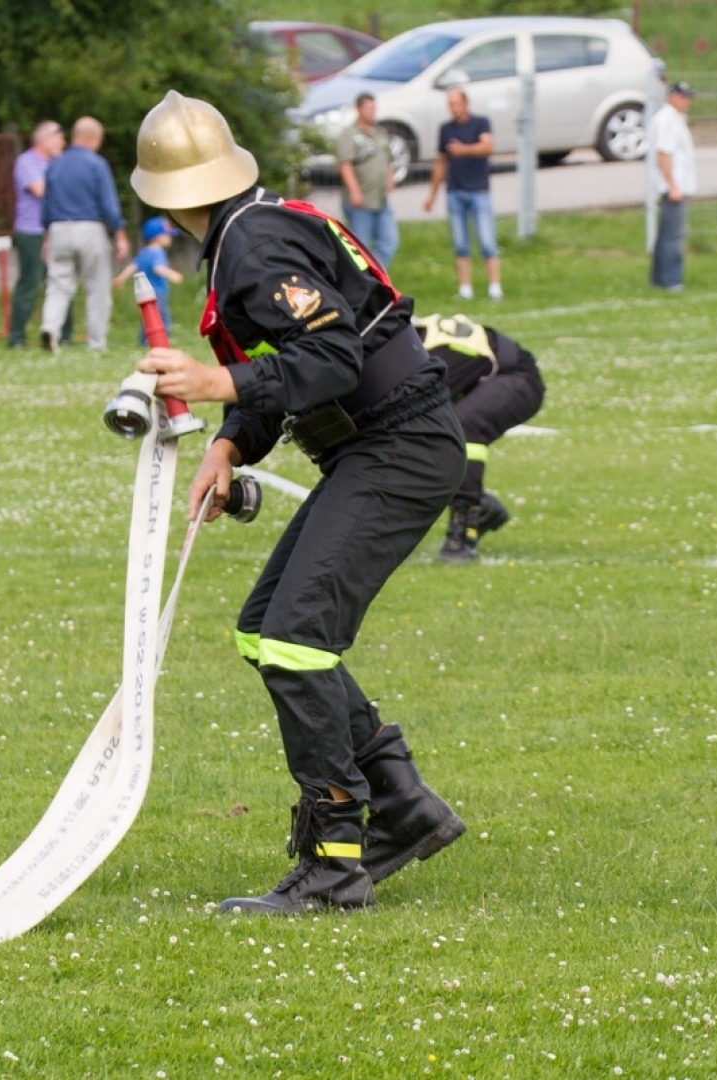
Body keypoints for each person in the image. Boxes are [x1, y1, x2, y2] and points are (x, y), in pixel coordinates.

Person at [131, 91, 467, 915]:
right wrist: (230, 442)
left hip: (400, 444)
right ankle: (404, 807)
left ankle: (334, 863)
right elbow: (285, 363)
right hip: (378, 447)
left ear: (164, 197)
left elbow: (333, 357)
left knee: (295, 641)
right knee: (265, 630)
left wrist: (216, 381)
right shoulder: (252, 230)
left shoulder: (252, 244)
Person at [414, 315, 545, 564]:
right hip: (495, 370)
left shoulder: (422, 360)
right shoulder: (408, 343)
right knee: (430, 439)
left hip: (518, 378)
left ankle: (464, 530)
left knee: (464, 430)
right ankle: (483, 508)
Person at [40, 116, 128, 352]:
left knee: (58, 284)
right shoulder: (96, 164)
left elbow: (46, 206)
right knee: (97, 287)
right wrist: (119, 234)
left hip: (58, 229)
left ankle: (50, 328)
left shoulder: (54, 165)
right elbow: (108, 205)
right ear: (92, 138)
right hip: (90, 228)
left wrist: (46, 239)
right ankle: (96, 343)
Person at [422, 88, 501, 301]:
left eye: (457, 103)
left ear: (466, 103)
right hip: (455, 191)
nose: (453, 107)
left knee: (487, 242)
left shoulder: (481, 123)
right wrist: (432, 195)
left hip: (478, 190)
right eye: (450, 104)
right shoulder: (446, 129)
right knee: (460, 244)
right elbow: (441, 162)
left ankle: (495, 287)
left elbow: (487, 146)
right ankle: (465, 289)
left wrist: (463, 150)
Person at [9, 121, 67, 348]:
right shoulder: (26, 161)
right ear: (45, 139)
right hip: (32, 231)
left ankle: (64, 336)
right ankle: (16, 337)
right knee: (30, 282)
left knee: (62, 281)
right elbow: (40, 190)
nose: (63, 143)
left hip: (56, 230)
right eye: (59, 138)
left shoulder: (57, 164)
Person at [337, 93, 399, 269]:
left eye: (374, 107)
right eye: (368, 108)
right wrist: (355, 191)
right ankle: (361, 277)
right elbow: (345, 165)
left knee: (389, 241)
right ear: (358, 109)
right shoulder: (349, 134)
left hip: (380, 198)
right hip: (361, 201)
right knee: (360, 246)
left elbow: (388, 158)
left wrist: (390, 177)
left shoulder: (380, 132)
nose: (372, 111)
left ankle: (374, 275)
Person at [649, 81, 697, 293]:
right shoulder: (666, 120)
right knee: (673, 236)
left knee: (665, 234)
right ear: (671, 97)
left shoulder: (674, 119)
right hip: (673, 187)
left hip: (675, 185)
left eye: (688, 97)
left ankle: (659, 278)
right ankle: (671, 280)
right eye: (682, 97)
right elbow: (663, 155)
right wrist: (673, 186)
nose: (687, 101)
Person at [111, 215, 183, 343]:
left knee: (147, 318)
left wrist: (121, 278)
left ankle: (144, 340)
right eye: (167, 235)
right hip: (158, 293)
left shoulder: (144, 252)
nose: (170, 237)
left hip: (143, 294)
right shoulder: (158, 252)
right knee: (162, 317)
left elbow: (133, 266)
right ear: (158, 237)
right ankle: (163, 339)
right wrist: (172, 274)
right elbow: (158, 268)